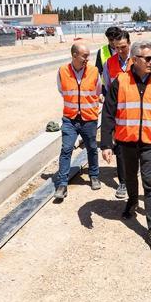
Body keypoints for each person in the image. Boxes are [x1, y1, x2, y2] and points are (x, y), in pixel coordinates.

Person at [101, 40, 151, 251]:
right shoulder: (120, 82)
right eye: (148, 58)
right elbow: (108, 113)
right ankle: (132, 201)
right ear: (134, 60)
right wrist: (106, 143)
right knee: (131, 178)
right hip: (127, 141)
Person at [53, 43, 102, 200]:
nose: (88, 58)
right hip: (70, 119)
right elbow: (62, 90)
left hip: (89, 118)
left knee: (92, 148)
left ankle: (94, 175)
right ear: (74, 55)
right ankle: (62, 184)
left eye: (88, 55)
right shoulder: (62, 71)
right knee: (66, 150)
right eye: (84, 56)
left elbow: (98, 91)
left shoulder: (94, 71)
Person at [102, 30, 132, 199]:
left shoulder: (137, 61)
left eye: (123, 47)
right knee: (119, 146)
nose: (120, 51)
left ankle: (133, 172)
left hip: (135, 111)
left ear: (129, 44)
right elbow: (107, 86)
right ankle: (123, 182)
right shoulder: (109, 63)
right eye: (117, 47)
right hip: (118, 111)